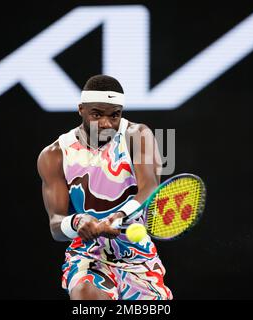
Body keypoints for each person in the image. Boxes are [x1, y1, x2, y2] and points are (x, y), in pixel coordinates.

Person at [37, 74, 173, 300]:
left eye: (114, 115)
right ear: (81, 109)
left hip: (139, 259)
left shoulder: (137, 135)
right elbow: (56, 225)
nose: (106, 124)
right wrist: (78, 221)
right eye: (97, 114)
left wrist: (118, 216)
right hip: (89, 257)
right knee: (85, 294)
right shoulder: (54, 155)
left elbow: (149, 188)